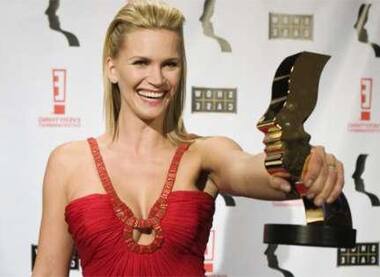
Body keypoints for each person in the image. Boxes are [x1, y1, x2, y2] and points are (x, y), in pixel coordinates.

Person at [32, 0, 344, 276]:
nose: (156, 79)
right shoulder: (69, 162)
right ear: (112, 68)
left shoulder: (203, 155)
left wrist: (303, 163)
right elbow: (47, 271)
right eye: (141, 62)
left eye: (169, 64)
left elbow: (257, 171)